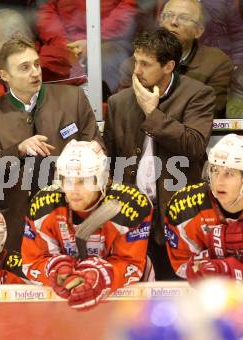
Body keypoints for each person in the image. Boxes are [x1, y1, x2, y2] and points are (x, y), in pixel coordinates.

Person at [0, 37, 103, 269]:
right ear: (5, 75)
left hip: (73, 220)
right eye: (24, 68)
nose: (35, 72)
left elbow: (98, 145)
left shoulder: (71, 98)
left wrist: (87, 153)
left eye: (36, 64)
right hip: (20, 225)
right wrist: (19, 149)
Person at [104, 28, 215, 280]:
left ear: (169, 66)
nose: (136, 70)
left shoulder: (197, 95)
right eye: (135, 61)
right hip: (132, 216)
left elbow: (195, 145)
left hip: (181, 215)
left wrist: (152, 113)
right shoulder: (119, 102)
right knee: (134, 296)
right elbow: (112, 162)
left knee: (181, 295)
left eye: (145, 64)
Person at [21, 140, 152, 310]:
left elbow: (131, 264)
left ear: (102, 178)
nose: (74, 189)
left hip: (124, 297)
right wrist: (55, 271)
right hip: (66, 300)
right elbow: (33, 261)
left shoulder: (131, 205)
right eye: (67, 180)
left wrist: (101, 277)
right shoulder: (43, 205)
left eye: (83, 181)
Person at [118, 0, 233, 118]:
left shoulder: (216, 63)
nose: (173, 22)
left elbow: (208, 113)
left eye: (184, 18)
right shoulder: (137, 64)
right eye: (168, 16)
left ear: (198, 31)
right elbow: (125, 112)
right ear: (160, 22)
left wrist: (154, 111)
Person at [165, 134, 243, 282]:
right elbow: (183, 267)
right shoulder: (185, 207)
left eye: (229, 174)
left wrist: (227, 266)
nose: (218, 181)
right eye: (214, 171)